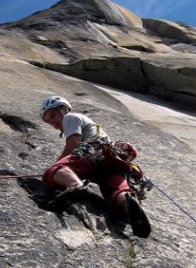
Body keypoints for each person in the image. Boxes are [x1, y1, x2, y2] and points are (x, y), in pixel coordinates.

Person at [40, 95, 151, 237]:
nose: (52, 122)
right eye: (49, 121)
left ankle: (76, 187)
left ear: (64, 109)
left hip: (93, 155)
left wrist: (54, 166)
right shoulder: (93, 127)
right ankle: (127, 202)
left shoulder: (70, 117)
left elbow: (73, 144)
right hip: (113, 163)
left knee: (53, 172)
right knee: (116, 193)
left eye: (53, 115)